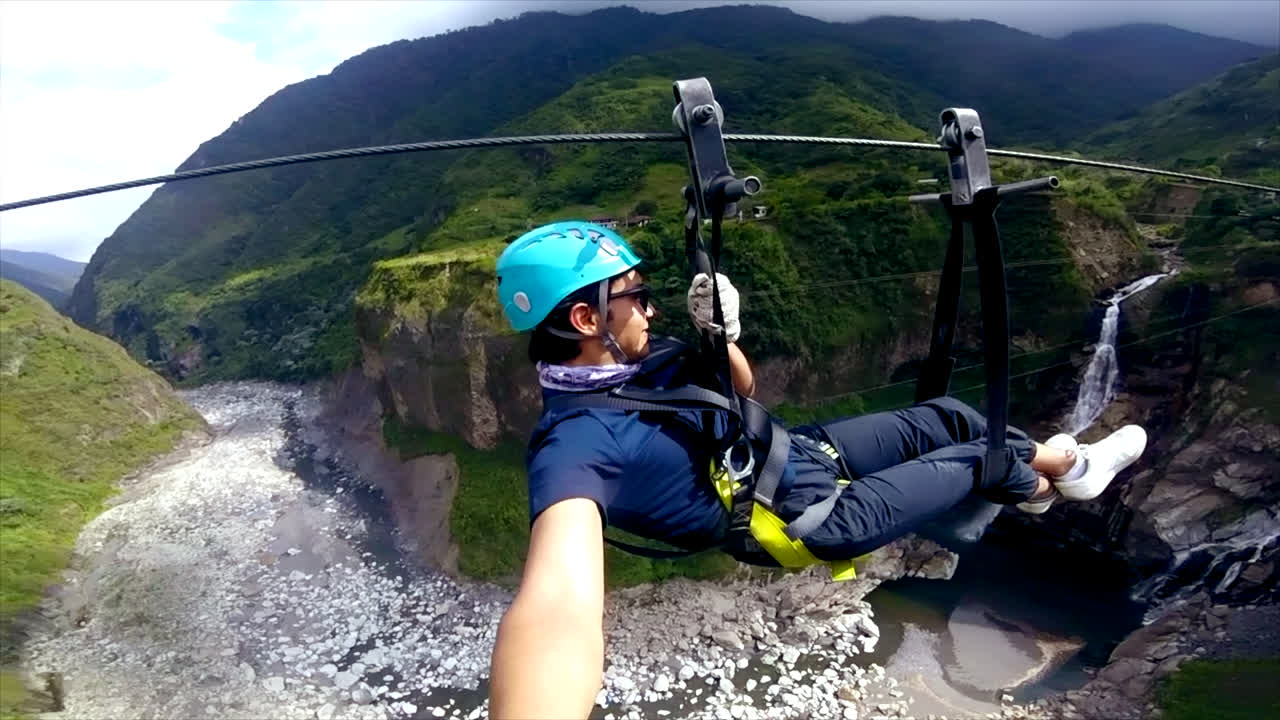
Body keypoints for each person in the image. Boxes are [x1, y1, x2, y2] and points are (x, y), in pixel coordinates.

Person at [486, 221, 1148, 719]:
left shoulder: (638, 355)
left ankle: (1049, 478)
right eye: (638, 296)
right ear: (586, 318)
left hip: (793, 453)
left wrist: (722, 338)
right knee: (981, 458)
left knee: (948, 417)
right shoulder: (574, 444)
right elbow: (557, 607)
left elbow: (739, 391)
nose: (650, 309)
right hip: (805, 519)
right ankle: (1059, 474)